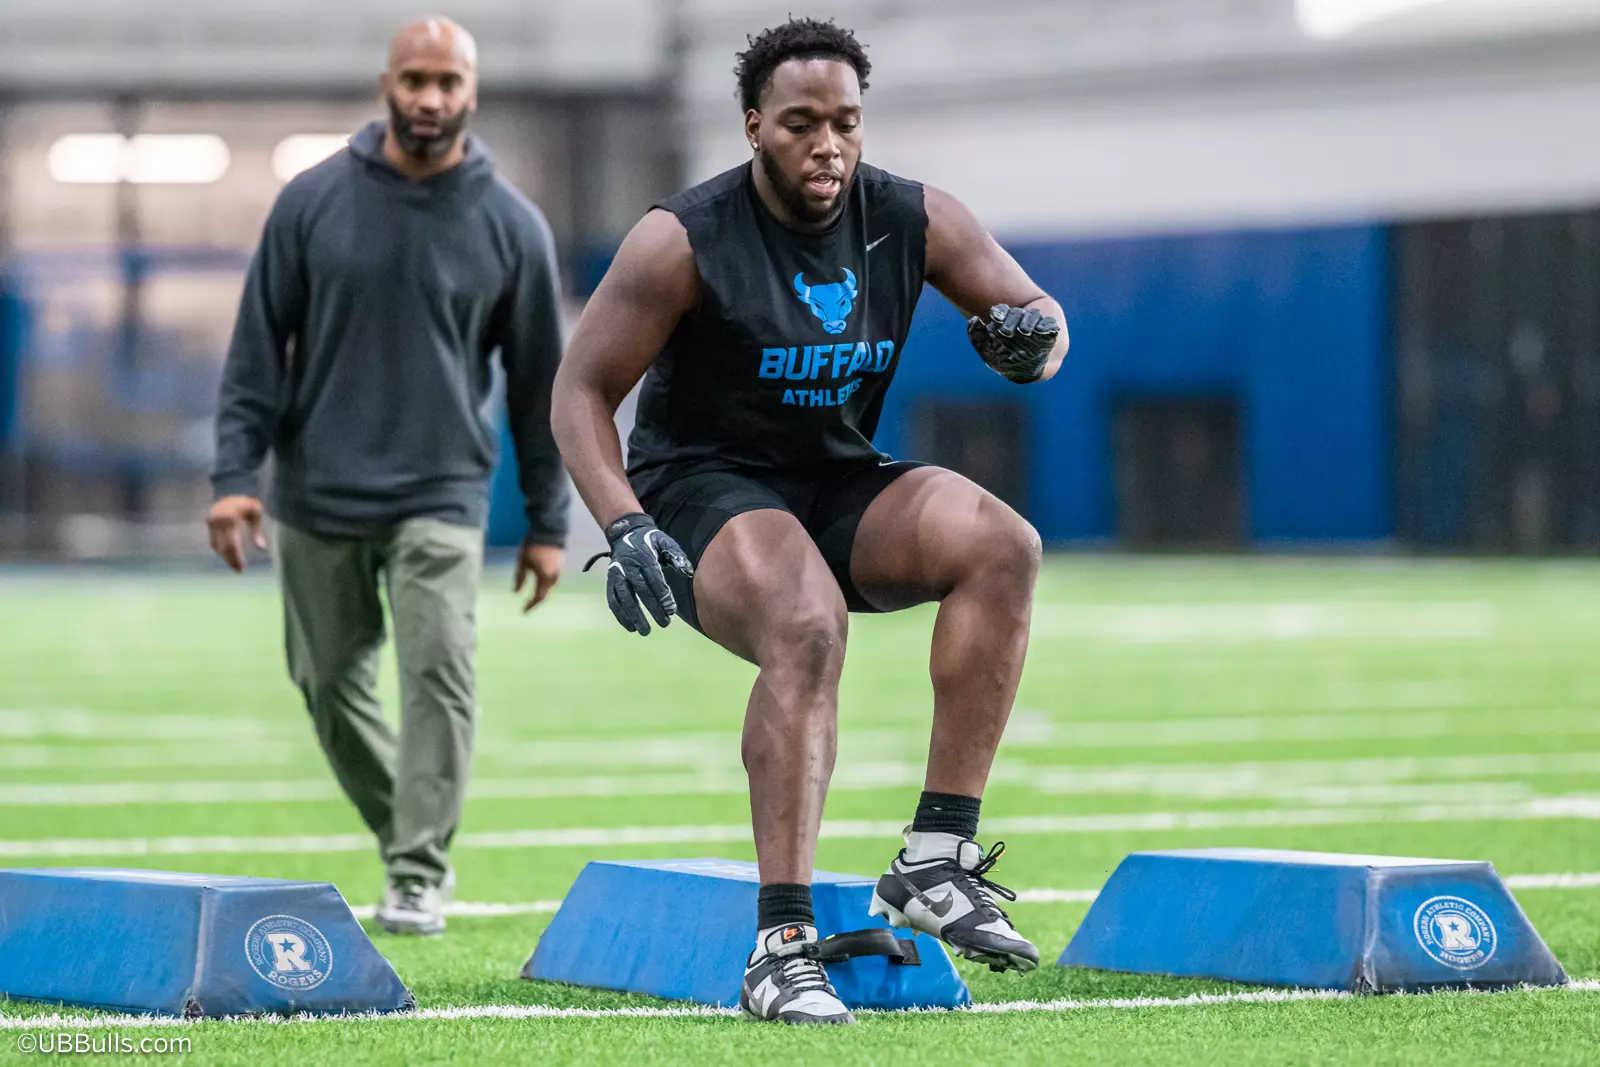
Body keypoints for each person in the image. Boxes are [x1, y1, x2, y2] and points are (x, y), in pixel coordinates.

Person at [551, 17, 1068, 1024]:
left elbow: (1040, 322)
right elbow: (579, 389)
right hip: (702, 484)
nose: (827, 145)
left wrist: (1032, 345)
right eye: (800, 125)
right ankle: (780, 947)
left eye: (845, 123)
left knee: (1003, 545)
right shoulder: (682, 238)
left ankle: (935, 859)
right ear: (754, 126)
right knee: (806, 623)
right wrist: (621, 521)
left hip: (833, 476)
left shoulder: (912, 216)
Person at [206, 17, 569, 937]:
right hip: (316, 490)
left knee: (439, 672)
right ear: (387, 86)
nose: (430, 98)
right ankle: (410, 824)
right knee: (328, 684)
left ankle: (416, 868)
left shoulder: (513, 226)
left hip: (440, 493)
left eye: (448, 82)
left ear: (472, 92)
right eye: (415, 80)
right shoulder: (311, 201)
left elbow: (541, 388)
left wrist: (548, 520)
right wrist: (235, 474)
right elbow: (257, 349)